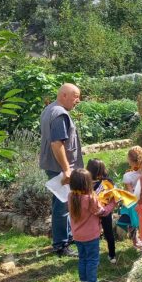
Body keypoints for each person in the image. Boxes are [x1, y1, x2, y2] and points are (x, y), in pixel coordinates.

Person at [39, 83, 83, 257]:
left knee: (64, 202)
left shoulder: (49, 109)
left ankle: (67, 237)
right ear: (64, 95)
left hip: (53, 165)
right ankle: (61, 245)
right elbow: (57, 144)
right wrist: (66, 170)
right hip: (60, 168)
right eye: (75, 96)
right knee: (62, 205)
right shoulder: (60, 114)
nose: (78, 100)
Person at [68, 168, 115, 282]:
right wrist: (112, 203)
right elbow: (102, 212)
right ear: (87, 183)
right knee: (92, 260)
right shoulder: (89, 198)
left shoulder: (71, 196)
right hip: (90, 236)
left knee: (82, 258)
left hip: (77, 235)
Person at [86, 159, 117, 263]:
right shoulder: (108, 182)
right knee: (109, 233)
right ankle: (112, 255)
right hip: (105, 212)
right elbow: (115, 195)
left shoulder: (85, 184)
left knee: (92, 235)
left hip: (91, 213)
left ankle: (91, 256)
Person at [120, 146, 142, 248]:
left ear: (130, 160)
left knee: (131, 220)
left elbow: (130, 193)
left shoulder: (128, 176)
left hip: (133, 201)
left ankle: (135, 240)